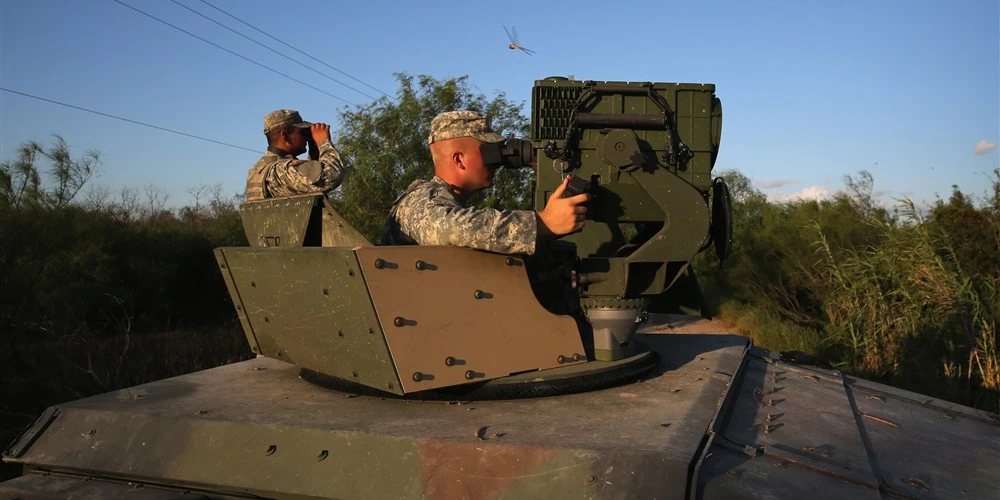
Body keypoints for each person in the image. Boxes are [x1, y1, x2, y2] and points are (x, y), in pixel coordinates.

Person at [381, 110, 588, 255]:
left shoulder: (445, 201)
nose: (495, 161)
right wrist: (542, 222)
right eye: (487, 151)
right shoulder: (420, 201)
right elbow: (452, 229)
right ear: (459, 159)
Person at [245, 109, 346, 201]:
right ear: (285, 136)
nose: (306, 137)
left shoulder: (259, 169)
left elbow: (310, 179)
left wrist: (314, 147)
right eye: (302, 132)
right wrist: (324, 142)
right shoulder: (280, 170)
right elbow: (330, 177)